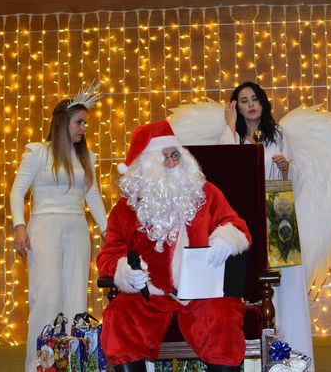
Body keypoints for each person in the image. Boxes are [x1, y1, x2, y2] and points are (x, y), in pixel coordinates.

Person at [97, 120, 251, 372]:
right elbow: (109, 254)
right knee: (119, 317)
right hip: (150, 296)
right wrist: (124, 271)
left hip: (202, 294)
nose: (171, 163)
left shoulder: (206, 193)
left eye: (175, 155)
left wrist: (226, 238)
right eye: (164, 158)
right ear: (146, 166)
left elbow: (235, 224)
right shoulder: (126, 208)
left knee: (221, 319)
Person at [10, 89, 108, 372]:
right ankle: (38, 365)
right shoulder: (38, 153)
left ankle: (71, 364)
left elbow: (93, 197)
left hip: (77, 229)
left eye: (85, 122)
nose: (83, 128)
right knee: (48, 296)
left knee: (76, 297)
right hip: (44, 228)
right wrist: (19, 225)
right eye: (79, 122)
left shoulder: (86, 157)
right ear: (63, 122)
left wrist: (109, 232)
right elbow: (17, 191)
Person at [220, 82, 315, 370]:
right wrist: (229, 125)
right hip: (245, 219)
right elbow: (224, 168)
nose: (251, 104)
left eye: (255, 99)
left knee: (286, 286)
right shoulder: (233, 138)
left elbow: (296, 178)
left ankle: (291, 357)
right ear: (236, 107)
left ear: (263, 103)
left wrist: (286, 168)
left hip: (278, 216)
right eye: (244, 100)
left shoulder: (279, 136)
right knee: (249, 286)